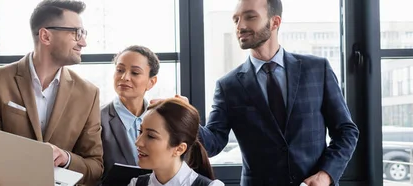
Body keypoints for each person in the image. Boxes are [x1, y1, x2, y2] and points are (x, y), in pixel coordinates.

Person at [193, 0, 360, 185]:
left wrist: (326, 174)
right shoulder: (228, 86)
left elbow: (346, 131)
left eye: (250, 17)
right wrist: (186, 119)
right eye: (236, 20)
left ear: (275, 22)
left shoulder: (317, 69)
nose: (240, 26)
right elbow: (213, 143)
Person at [0, 0, 102, 185]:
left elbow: (95, 168)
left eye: (83, 33)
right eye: (76, 33)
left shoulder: (89, 94)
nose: (83, 42)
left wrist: (66, 158)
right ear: (45, 36)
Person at [127, 98, 224, 186]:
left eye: (151, 136)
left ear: (179, 149)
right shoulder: (135, 184)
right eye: (140, 132)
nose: (138, 142)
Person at [100, 45, 159, 182]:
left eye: (135, 73)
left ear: (151, 82)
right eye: (120, 70)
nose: (124, 77)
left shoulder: (162, 120)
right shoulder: (96, 119)